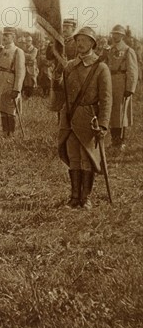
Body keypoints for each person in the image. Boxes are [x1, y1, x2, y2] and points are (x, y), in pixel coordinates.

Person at [57, 27, 112, 210]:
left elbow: (106, 98)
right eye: (77, 40)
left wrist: (103, 124)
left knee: (87, 158)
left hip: (90, 119)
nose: (79, 44)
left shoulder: (100, 67)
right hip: (70, 117)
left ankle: (86, 197)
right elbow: (62, 93)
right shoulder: (69, 66)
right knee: (73, 157)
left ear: (92, 44)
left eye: (84, 40)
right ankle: (74, 197)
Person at [105, 25, 139, 151]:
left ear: (122, 36)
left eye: (118, 34)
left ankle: (120, 141)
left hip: (122, 83)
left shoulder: (128, 50)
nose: (115, 36)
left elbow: (132, 71)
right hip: (110, 82)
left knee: (121, 112)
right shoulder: (109, 50)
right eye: (114, 34)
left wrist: (130, 88)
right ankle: (114, 140)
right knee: (112, 111)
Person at [0, 27, 26, 136]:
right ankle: (5, 132)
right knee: (2, 108)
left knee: (10, 109)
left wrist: (17, 89)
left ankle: (12, 133)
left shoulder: (18, 51)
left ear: (13, 37)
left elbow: (20, 72)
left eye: (7, 35)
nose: (4, 37)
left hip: (10, 82)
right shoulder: (0, 50)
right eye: (3, 35)